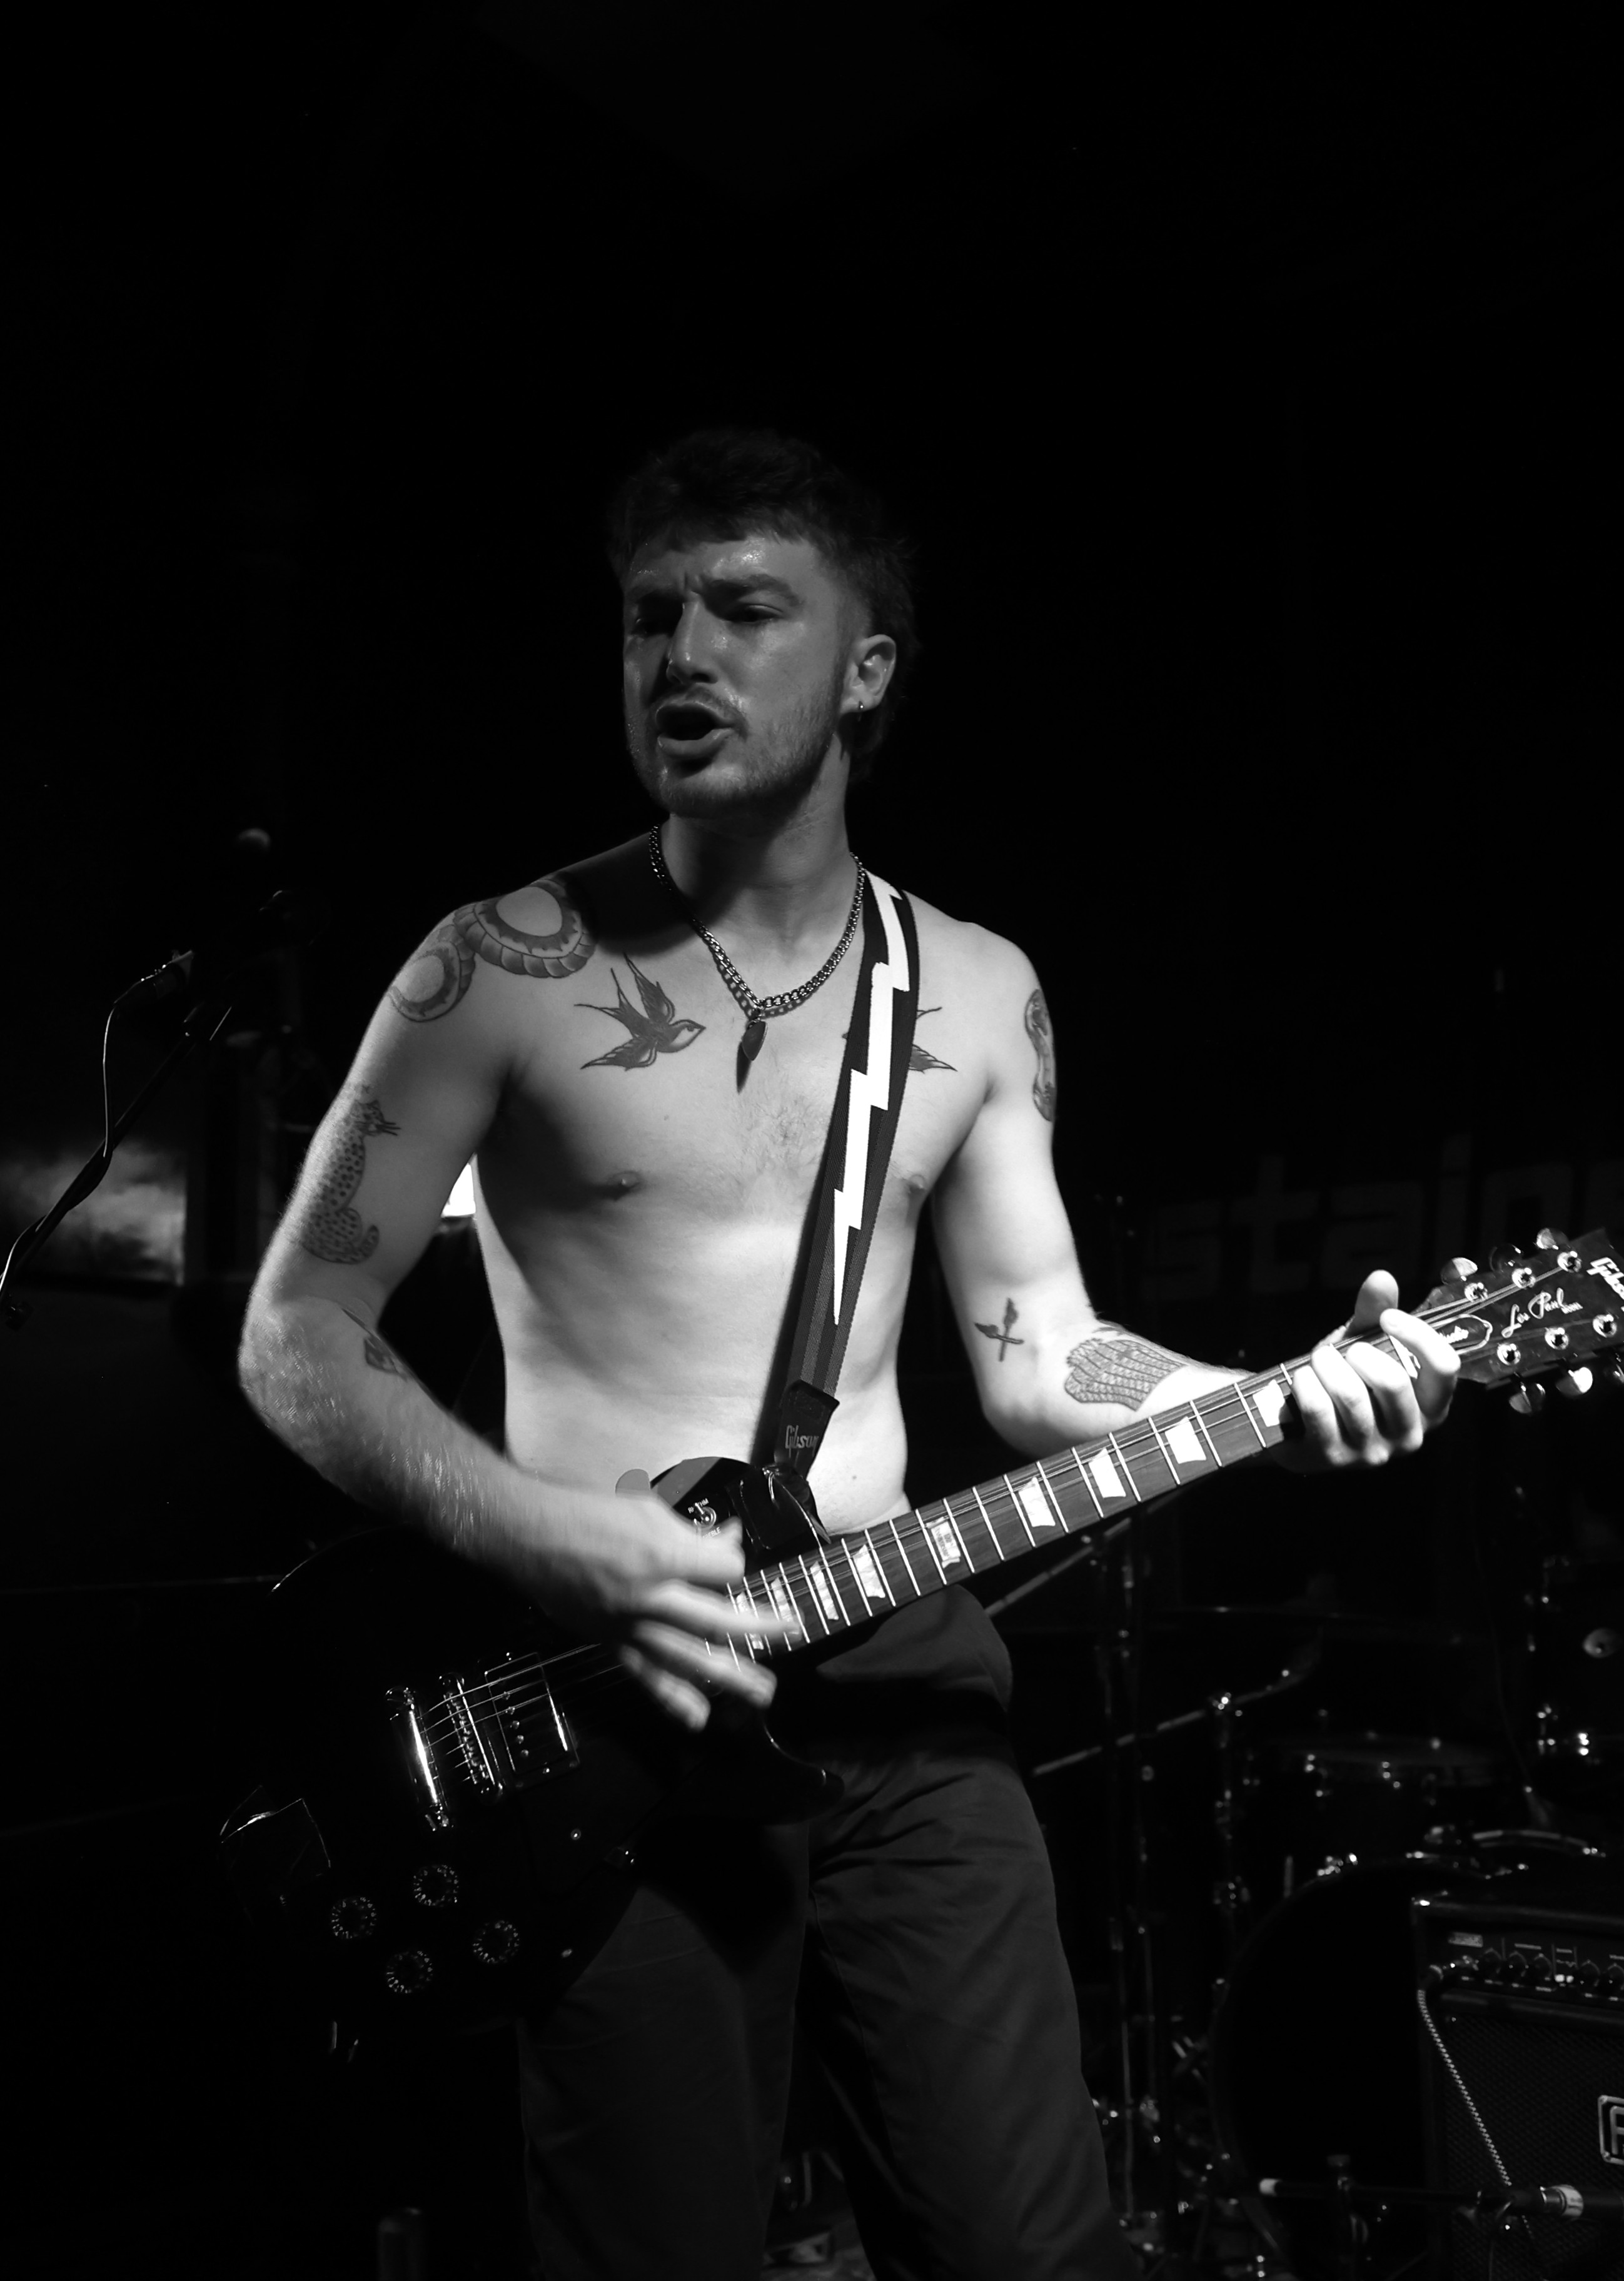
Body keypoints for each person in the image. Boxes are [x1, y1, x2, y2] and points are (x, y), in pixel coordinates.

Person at [238, 428, 1460, 2281]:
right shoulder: (495, 965)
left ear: (867, 665)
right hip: (618, 1701)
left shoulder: (971, 988)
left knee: (1031, 2249)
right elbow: (296, 1331)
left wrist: (1265, 1406)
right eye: (650, 616)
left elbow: (1042, 1353)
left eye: (745, 610)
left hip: (899, 1680)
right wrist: (544, 1536)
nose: (682, 655)